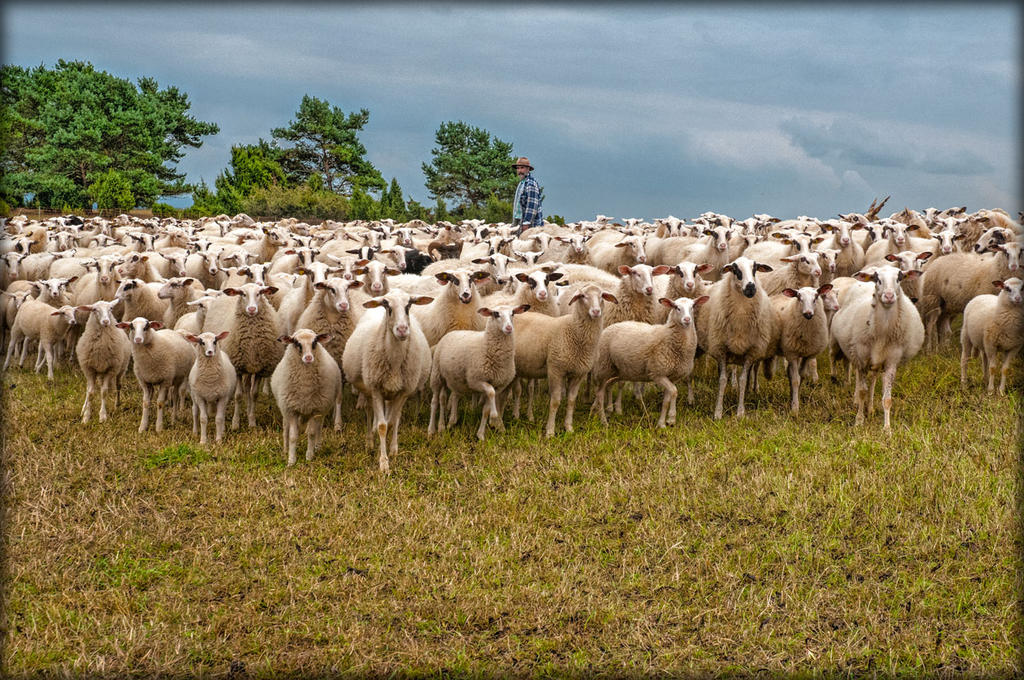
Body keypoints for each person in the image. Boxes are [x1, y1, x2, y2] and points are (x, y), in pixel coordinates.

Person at [511, 156, 543, 231]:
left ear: (528, 169)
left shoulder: (530, 184)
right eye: (518, 168)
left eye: (522, 168)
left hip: (531, 226)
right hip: (519, 220)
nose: (519, 171)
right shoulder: (521, 184)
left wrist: (526, 223)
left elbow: (532, 205)